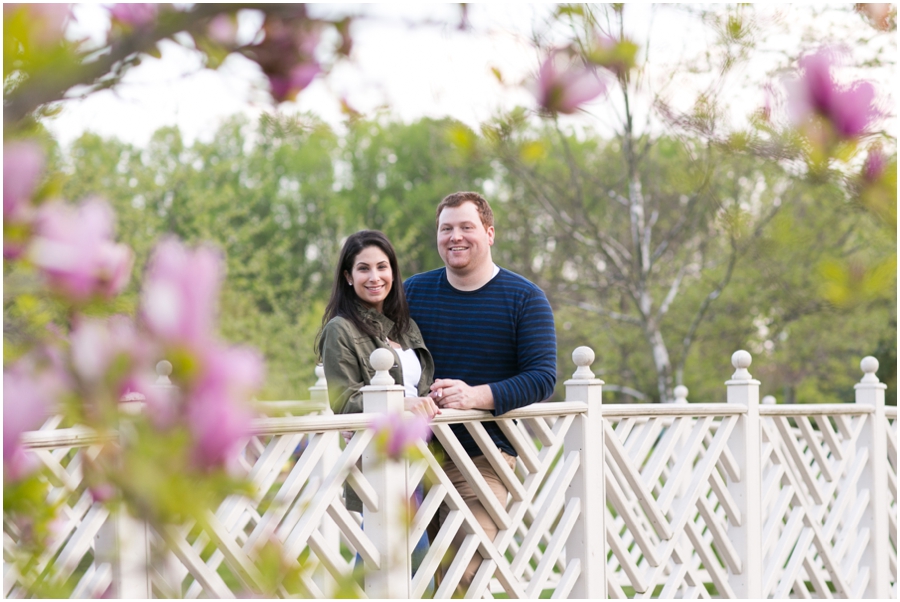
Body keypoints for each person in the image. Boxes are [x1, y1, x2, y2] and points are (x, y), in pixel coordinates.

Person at [404, 192, 557, 591]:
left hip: (483, 457)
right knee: (410, 577)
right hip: (412, 455)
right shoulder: (412, 294)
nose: (455, 236)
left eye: (466, 227)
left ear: (489, 233)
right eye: (446, 228)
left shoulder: (525, 299)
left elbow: (542, 377)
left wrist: (476, 396)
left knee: (466, 573)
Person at [316, 229, 440, 582]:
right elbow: (343, 401)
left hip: (422, 456)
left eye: (382, 267)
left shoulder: (405, 327)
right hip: (380, 457)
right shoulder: (340, 330)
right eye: (364, 269)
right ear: (348, 277)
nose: (375, 277)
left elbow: (420, 384)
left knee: (390, 562)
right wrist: (402, 403)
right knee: (408, 568)